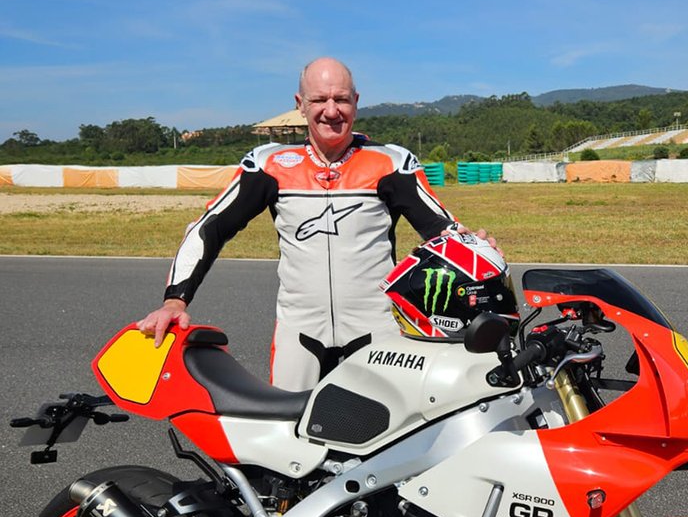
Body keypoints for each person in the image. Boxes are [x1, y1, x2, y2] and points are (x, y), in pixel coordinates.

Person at [137, 57, 494, 391]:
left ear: (356, 101)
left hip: (377, 330)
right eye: (319, 99)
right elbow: (208, 228)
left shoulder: (391, 162)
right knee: (287, 441)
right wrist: (174, 302)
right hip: (300, 331)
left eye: (341, 99)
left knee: (385, 446)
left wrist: (476, 248)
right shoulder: (268, 163)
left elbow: (442, 231)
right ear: (301, 103)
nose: (331, 110)